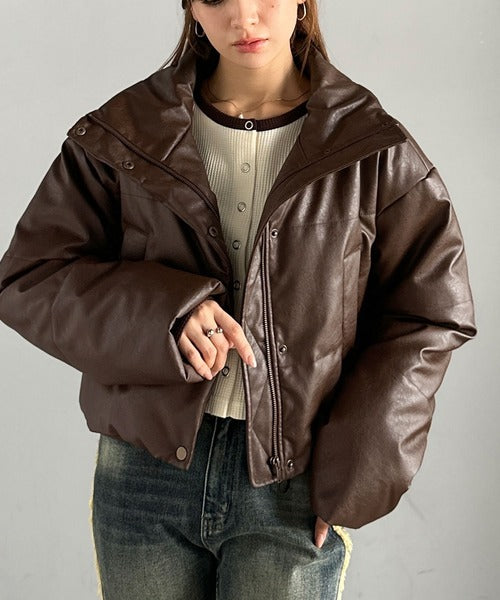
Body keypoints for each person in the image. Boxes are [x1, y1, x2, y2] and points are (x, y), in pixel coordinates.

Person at [0, 0, 476, 598]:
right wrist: (166, 317)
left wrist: (357, 468)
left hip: (292, 480)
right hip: (144, 470)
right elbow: (31, 275)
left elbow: (428, 313)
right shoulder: (125, 132)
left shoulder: (370, 145)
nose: (245, 18)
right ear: (191, 6)